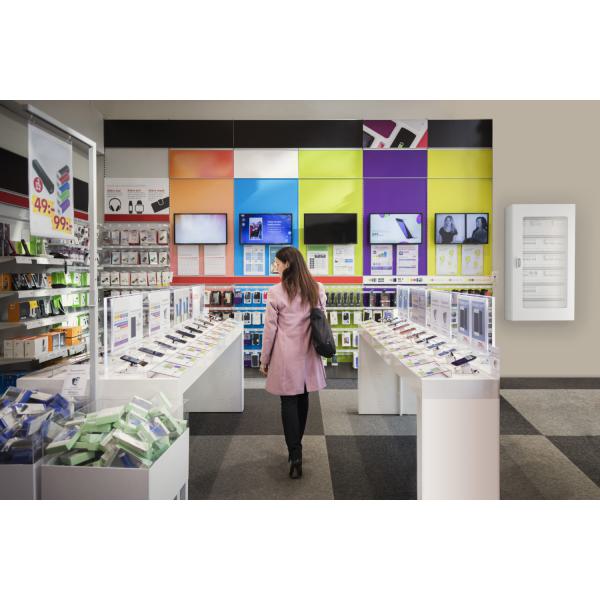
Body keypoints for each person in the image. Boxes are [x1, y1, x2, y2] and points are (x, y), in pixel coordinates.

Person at [259, 246, 327, 479]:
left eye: (277, 263)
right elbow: (321, 321)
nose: (276, 267)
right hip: (309, 353)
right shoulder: (317, 288)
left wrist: (265, 358)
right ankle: (297, 444)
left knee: (288, 402)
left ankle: (294, 453)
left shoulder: (275, 292)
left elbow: (270, 329)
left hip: (285, 356)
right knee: (303, 397)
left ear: (287, 264)